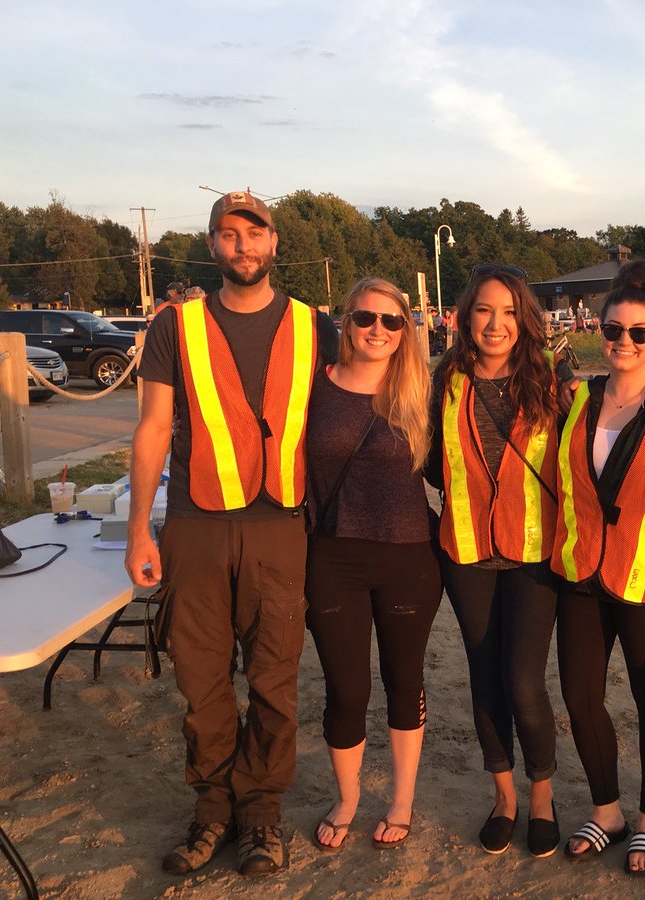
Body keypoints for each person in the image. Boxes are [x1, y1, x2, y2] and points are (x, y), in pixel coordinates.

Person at [126, 191, 338, 877]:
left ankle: (262, 815)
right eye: (228, 234)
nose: (243, 245)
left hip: (282, 526)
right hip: (196, 524)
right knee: (203, 678)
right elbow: (154, 427)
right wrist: (139, 529)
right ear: (212, 245)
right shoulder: (175, 327)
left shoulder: (317, 328)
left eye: (255, 232)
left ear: (276, 242)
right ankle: (212, 809)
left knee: (275, 679)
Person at [554, 260, 645, 876]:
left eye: (639, 333)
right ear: (599, 331)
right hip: (579, 573)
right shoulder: (578, 396)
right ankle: (607, 811)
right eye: (614, 331)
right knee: (581, 698)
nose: (625, 343)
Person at [426, 263, 563, 858]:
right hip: (467, 552)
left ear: (524, 318)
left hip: (535, 554)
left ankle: (542, 796)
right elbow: (431, 462)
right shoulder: (444, 381)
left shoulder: (552, 381)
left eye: (509, 311)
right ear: (465, 317)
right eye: (484, 309)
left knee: (524, 682)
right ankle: (504, 797)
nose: (496, 323)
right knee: (484, 677)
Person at [305, 277, 441, 854]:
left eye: (391, 322)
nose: (377, 331)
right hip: (332, 555)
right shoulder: (315, 388)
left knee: (403, 681)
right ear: (345, 321)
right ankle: (348, 796)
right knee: (346, 686)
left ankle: (403, 799)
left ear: (405, 330)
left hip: (408, 556)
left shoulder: (420, 391)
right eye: (365, 318)